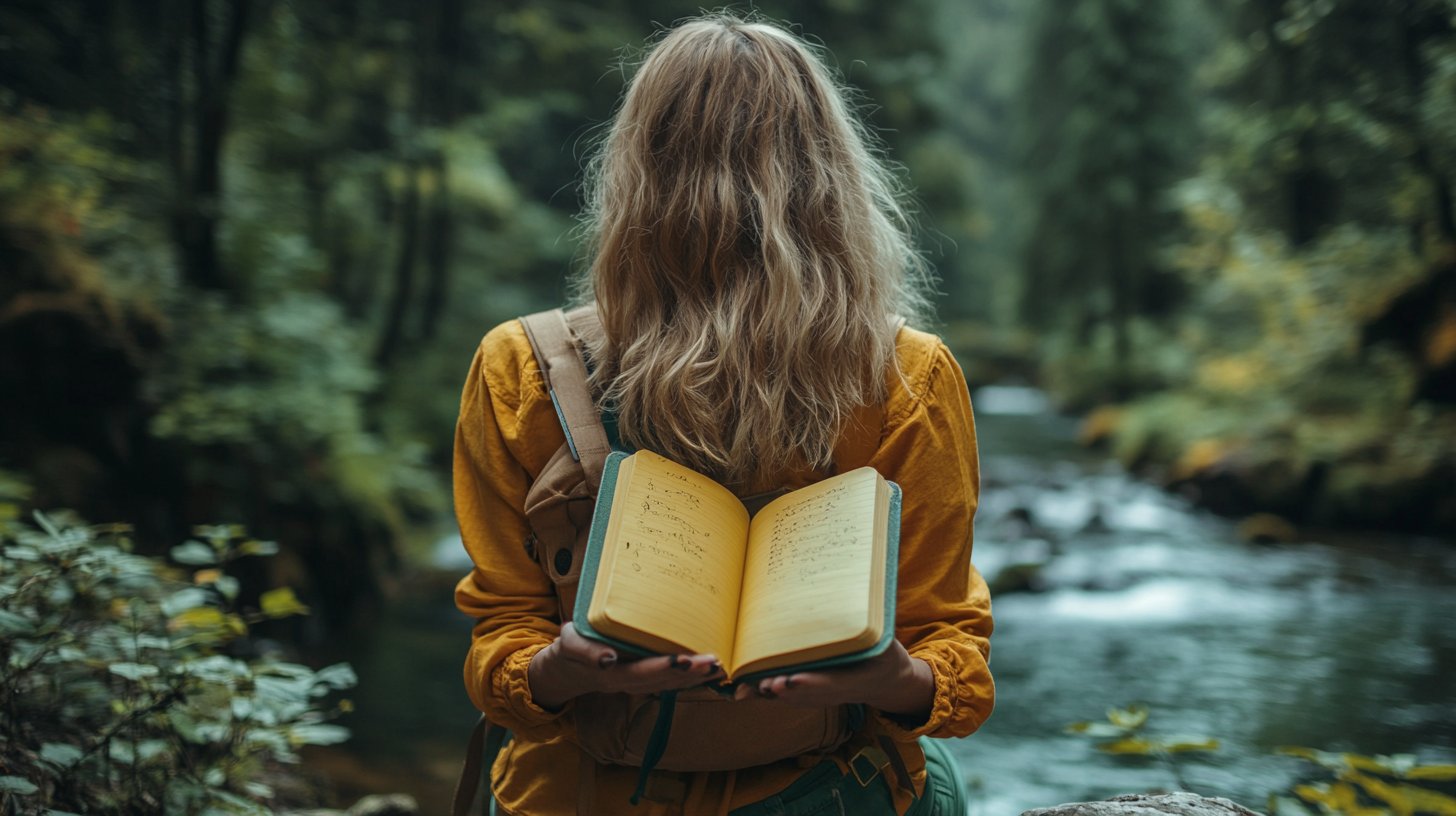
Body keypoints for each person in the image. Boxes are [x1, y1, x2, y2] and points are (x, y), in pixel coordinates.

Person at [453, 14, 993, 816]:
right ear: (831, 181)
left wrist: (556, 673)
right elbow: (953, 654)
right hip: (827, 793)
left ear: (633, 174)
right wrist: (900, 682)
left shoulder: (521, 367)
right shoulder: (908, 377)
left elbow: (502, 639)